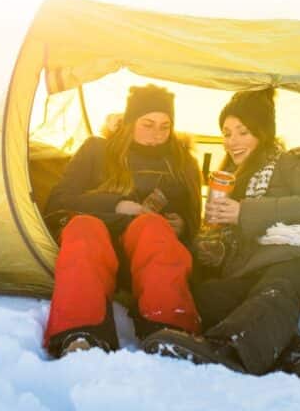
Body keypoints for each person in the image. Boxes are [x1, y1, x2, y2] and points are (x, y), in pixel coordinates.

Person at [142, 87, 300, 384]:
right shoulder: (235, 179)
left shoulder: (296, 161)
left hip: (294, 254)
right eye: (227, 133)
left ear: (263, 132)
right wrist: (216, 245)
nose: (232, 142)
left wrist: (244, 212)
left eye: (243, 132)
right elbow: (236, 238)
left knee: (273, 293)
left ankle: (227, 351)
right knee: (204, 298)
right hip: (249, 268)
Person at [42, 84, 203, 357]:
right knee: (85, 226)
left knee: (152, 226)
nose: (157, 134)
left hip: (146, 257)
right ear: (130, 122)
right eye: (148, 124)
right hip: (92, 250)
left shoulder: (180, 162)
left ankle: (171, 328)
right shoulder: (96, 150)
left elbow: (193, 221)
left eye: (165, 126)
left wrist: (182, 225)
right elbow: (59, 201)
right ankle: (81, 332)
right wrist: (117, 205)